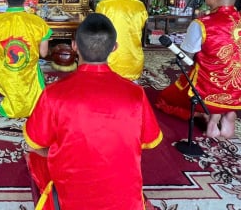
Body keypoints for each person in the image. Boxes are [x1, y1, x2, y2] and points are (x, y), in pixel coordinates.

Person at [23, 13, 162, 210]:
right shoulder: (136, 94)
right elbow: (148, 141)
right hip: (124, 202)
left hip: (71, 199)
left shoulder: (53, 94)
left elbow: (35, 144)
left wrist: (60, 152)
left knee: (36, 156)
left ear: (74, 46)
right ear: (114, 48)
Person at [155, 0, 241, 139]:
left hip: (208, 92)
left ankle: (212, 119)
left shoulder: (203, 24)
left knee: (164, 100)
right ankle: (227, 112)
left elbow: (186, 59)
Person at [0, 0, 52, 118]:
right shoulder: (38, 22)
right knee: (35, 71)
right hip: (29, 75)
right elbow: (44, 53)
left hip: (4, 76)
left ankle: (9, 96)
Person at [95, 0, 149, 81]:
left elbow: (98, 33)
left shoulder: (103, 5)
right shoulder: (140, 6)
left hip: (110, 64)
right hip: (134, 62)